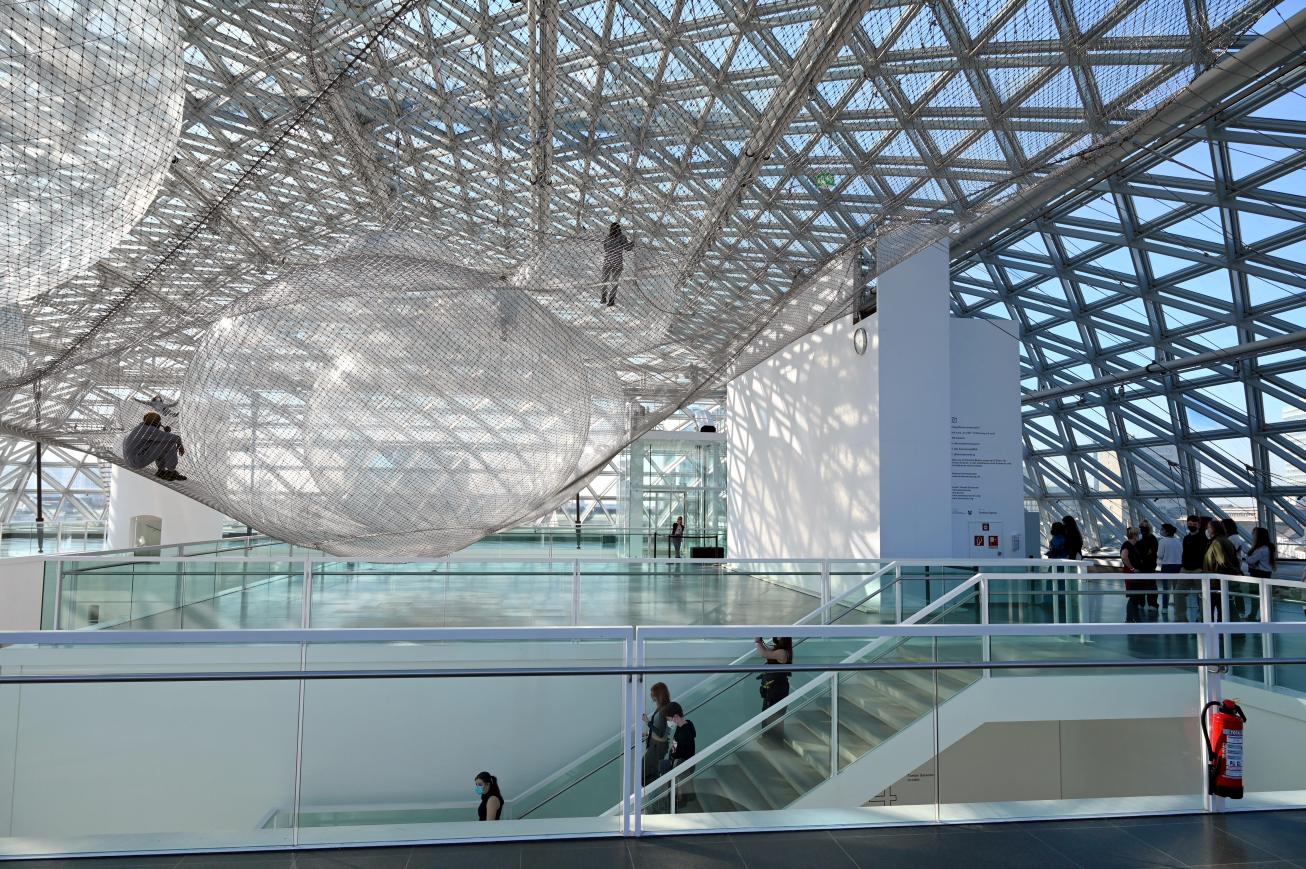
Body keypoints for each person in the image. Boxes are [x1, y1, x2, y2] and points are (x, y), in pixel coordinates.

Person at [122, 412, 187, 481]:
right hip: (137, 461)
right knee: (169, 442)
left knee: (162, 442)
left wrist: (166, 432)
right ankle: (171, 471)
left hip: (130, 460)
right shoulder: (148, 430)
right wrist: (180, 445)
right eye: (159, 422)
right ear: (156, 423)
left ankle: (161, 471)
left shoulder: (140, 428)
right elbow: (173, 438)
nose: (160, 424)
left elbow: (161, 437)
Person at [755, 636, 793, 742]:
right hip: (774, 688)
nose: (776, 635)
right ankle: (769, 739)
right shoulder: (779, 649)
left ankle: (773, 741)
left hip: (777, 689)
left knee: (773, 715)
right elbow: (767, 651)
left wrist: (757, 641)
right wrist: (760, 642)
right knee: (768, 713)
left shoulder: (782, 652)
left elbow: (764, 654)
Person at [1204, 521, 1241, 621]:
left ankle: (1215, 632)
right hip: (1220, 580)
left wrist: (1234, 571)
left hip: (1215, 581)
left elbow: (1223, 561)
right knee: (1224, 608)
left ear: (1214, 529)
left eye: (1209, 527)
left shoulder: (1217, 542)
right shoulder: (1224, 540)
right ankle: (1224, 633)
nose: (1207, 530)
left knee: (1213, 608)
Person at [1176, 515, 1209, 622]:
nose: (1191, 526)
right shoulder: (1186, 538)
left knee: (1202, 595)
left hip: (1198, 570)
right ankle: (1181, 617)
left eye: (1194, 524)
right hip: (1185, 569)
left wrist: (1202, 568)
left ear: (1199, 525)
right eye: (1190, 524)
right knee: (1178, 593)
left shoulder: (1203, 539)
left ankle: (1203, 617)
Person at [663, 702, 696, 808]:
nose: (669, 722)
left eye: (669, 719)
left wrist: (673, 757)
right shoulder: (681, 727)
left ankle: (675, 801)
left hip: (682, 764)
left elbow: (683, 753)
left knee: (667, 773)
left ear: (676, 716)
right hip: (677, 761)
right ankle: (672, 799)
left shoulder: (685, 733)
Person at [642, 682, 672, 785]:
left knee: (645, 772)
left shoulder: (663, 710)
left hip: (658, 746)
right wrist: (648, 734)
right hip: (657, 745)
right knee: (649, 770)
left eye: (653, 693)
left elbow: (660, 733)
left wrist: (647, 722)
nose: (651, 695)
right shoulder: (662, 708)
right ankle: (657, 792)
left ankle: (657, 792)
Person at [600, 221, 635, 306]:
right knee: (614, 282)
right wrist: (633, 243)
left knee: (605, 280)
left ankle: (603, 298)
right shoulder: (622, 237)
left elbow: (605, 248)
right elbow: (627, 248)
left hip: (608, 261)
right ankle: (611, 300)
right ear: (619, 229)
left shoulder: (608, 237)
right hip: (617, 262)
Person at [1245, 526, 1275, 620]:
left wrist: (1247, 558)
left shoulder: (1261, 549)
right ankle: (1262, 616)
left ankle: (1254, 615)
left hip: (1258, 575)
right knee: (1263, 596)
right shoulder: (1268, 548)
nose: (1252, 536)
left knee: (1255, 596)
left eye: (1254, 534)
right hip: (1265, 574)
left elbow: (1250, 560)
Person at [1157, 523, 1183, 613]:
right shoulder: (1178, 541)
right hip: (1178, 566)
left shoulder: (1162, 541)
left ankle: (1165, 608)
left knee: (1166, 588)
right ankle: (1177, 607)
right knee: (1176, 588)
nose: (1161, 531)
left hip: (1167, 566)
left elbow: (1160, 555)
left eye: (1162, 529)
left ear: (1166, 531)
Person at [1121, 527, 1145, 623]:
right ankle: (1130, 619)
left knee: (1135, 596)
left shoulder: (1134, 545)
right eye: (1138, 534)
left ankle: (1135, 618)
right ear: (1134, 535)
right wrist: (1132, 568)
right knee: (1133, 596)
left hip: (1135, 573)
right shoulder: (1127, 545)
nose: (1139, 535)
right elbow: (1124, 556)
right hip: (1131, 573)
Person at [1136, 520, 1159, 609]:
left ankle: (1151, 604)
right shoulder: (1146, 539)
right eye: (1141, 527)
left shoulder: (1150, 539)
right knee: (1145, 584)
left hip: (1149, 565)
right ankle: (1146, 603)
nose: (1142, 529)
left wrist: (1141, 557)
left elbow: (1150, 551)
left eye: (1144, 527)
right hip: (1146, 565)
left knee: (1150, 584)